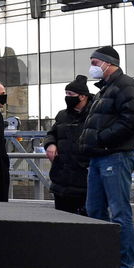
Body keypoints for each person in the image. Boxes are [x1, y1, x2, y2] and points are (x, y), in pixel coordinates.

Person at [78, 46, 134, 268]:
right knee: (94, 211)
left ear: (108, 63)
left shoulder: (126, 85)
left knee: (119, 211)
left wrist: (103, 138)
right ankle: (101, 261)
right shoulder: (105, 90)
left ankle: (124, 265)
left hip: (115, 156)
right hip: (98, 157)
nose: (92, 66)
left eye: (95, 62)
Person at [44, 75, 93, 215]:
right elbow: (51, 133)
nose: (67, 97)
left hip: (84, 180)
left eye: (70, 94)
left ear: (83, 96)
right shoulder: (62, 115)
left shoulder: (94, 115)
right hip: (62, 179)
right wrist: (50, 144)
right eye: (66, 94)